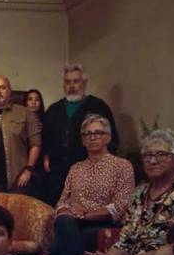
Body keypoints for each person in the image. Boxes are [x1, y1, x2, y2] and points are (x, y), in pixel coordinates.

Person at [47, 114, 134, 255]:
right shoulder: (76, 168)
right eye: (87, 134)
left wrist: (87, 215)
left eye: (98, 133)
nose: (93, 137)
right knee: (63, 222)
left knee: (58, 248)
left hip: (103, 224)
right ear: (82, 140)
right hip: (73, 224)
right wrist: (67, 212)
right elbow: (62, 202)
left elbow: (122, 205)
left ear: (108, 137)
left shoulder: (122, 166)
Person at [41, 64, 119, 206]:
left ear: (84, 83)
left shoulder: (98, 106)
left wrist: (102, 167)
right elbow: (45, 140)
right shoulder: (53, 109)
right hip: (57, 176)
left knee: (83, 210)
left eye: (76, 81)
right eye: (67, 82)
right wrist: (46, 159)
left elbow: (112, 140)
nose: (72, 86)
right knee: (56, 211)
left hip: (89, 174)